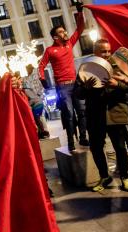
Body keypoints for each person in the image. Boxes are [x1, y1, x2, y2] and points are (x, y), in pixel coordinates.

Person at [73, 39, 128, 192]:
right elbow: (77, 93)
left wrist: (117, 85)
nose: (107, 54)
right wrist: (85, 88)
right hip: (95, 115)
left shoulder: (119, 65)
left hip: (115, 112)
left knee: (120, 147)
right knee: (96, 147)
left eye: (108, 51)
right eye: (103, 51)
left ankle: (125, 177)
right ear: (95, 52)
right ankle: (104, 176)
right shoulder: (86, 67)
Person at [38, 1, 86, 151]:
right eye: (61, 32)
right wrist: (43, 79)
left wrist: (79, 12)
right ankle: (71, 142)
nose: (65, 33)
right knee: (70, 115)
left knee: (82, 112)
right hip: (63, 87)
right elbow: (41, 66)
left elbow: (80, 28)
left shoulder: (69, 44)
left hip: (76, 84)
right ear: (55, 37)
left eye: (65, 31)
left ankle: (83, 138)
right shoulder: (50, 50)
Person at [23, 64, 50, 139]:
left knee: (39, 117)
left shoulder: (33, 77)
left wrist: (38, 95)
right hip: (38, 98)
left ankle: (44, 131)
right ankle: (42, 132)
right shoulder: (30, 77)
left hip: (37, 99)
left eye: (27, 69)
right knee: (39, 117)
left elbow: (39, 87)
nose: (26, 71)